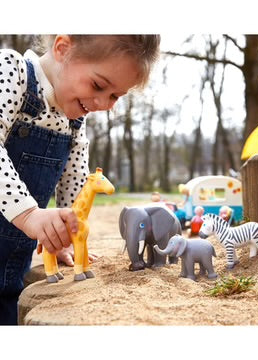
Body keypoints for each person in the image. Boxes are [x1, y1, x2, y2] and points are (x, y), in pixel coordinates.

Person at [0, 35, 161, 325]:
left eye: (115, 96)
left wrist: (65, 235)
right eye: (98, 86)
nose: (103, 103)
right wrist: (27, 213)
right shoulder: (13, 72)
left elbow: (75, 176)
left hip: (11, 266)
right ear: (63, 49)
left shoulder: (74, 118)